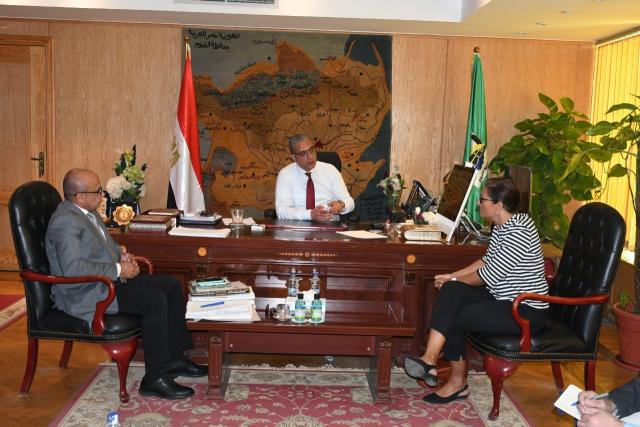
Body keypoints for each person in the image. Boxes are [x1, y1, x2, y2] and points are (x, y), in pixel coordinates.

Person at [45, 168, 207, 400]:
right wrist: (119, 269)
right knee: (153, 298)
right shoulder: (65, 223)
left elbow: (102, 245)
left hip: (104, 283)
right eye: (98, 191)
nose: (102, 195)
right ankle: (154, 378)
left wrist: (121, 255)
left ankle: (174, 359)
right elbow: (73, 268)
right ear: (80, 196)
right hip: (85, 292)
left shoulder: (87, 212)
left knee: (170, 284)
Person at [403, 178, 549, 403]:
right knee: (452, 291)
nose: (479, 204)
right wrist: (452, 277)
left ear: (499, 205)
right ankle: (430, 360)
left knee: (455, 314)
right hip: (502, 298)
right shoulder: (503, 225)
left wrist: (455, 278)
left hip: (525, 310)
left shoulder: (519, 232)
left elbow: (487, 276)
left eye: (483, 200)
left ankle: (456, 381)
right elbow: (485, 261)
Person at [275, 134, 354, 220]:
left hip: (329, 224)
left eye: (311, 150)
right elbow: (281, 211)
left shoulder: (330, 170)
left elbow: (350, 202)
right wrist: (309, 215)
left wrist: (341, 204)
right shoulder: (285, 175)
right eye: (303, 153)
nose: (310, 157)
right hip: (299, 226)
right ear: (293, 157)